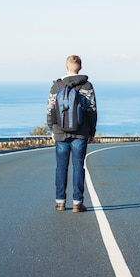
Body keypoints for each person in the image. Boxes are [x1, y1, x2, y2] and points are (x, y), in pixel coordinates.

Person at [47, 55, 97, 213]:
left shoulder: (57, 86)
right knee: (78, 166)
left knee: (61, 167)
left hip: (60, 132)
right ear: (80, 68)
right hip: (81, 133)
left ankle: (60, 202)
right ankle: (77, 203)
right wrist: (91, 132)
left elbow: (50, 109)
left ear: (66, 67)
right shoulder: (87, 85)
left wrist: (52, 129)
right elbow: (92, 111)